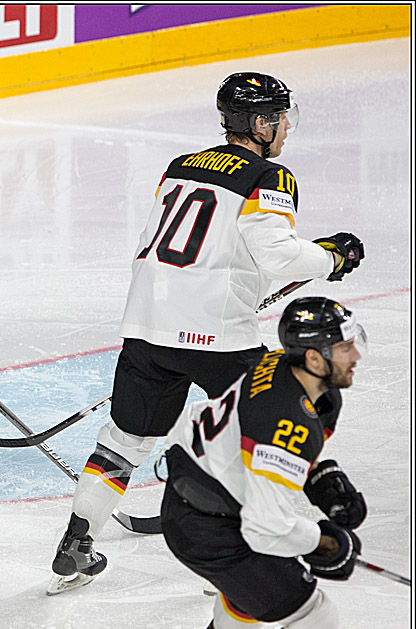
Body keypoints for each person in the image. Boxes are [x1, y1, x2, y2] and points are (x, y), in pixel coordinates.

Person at [48, 72, 366, 595]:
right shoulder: (271, 176)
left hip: (147, 327)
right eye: (281, 116)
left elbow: (204, 246)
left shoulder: (180, 167)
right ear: (261, 123)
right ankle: (243, 553)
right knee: (263, 434)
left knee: (124, 441)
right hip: (220, 336)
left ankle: (77, 539)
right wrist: (331, 257)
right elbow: (277, 254)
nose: (286, 127)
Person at [162, 297, 367, 629]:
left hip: (204, 494)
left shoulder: (281, 366)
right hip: (208, 526)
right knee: (316, 620)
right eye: (343, 347)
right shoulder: (287, 420)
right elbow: (266, 527)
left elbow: (257, 442)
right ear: (313, 358)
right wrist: (324, 543)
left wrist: (317, 476)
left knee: (262, 584)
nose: (355, 354)